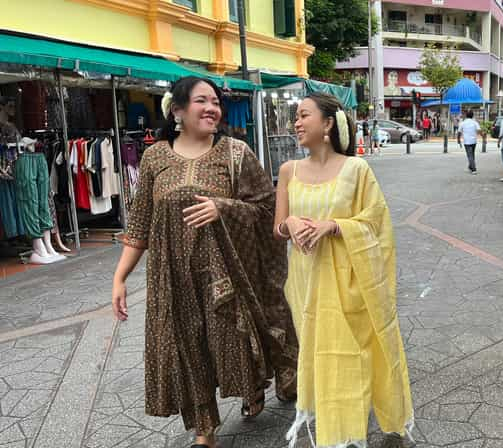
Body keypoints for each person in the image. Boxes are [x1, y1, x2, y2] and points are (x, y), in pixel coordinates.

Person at [111, 77, 298, 448]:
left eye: (215, 101)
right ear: (177, 110)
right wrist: (120, 278)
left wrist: (222, 207)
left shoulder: (235, 153)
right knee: (187, 347)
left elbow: (266, 209)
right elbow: (141, 222)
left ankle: (253, 387)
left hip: (227, 274)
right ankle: (204, 429)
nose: (212, 108)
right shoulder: (154, 157)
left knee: (235, 341)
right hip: (173, 278)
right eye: (202, 101)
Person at [274, 92, 414, 448]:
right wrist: (290, 221)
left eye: (304, 115)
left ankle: (349, 430)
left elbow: (376, 222)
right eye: (296, 117)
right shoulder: (288, 170)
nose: (297, 122)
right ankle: (333, 427)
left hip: (351, 279)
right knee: (318, 351)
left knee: (353, 352)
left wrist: (335, 226)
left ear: (327, 124)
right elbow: (277, 228)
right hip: (305, 279)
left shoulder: (356, 169)